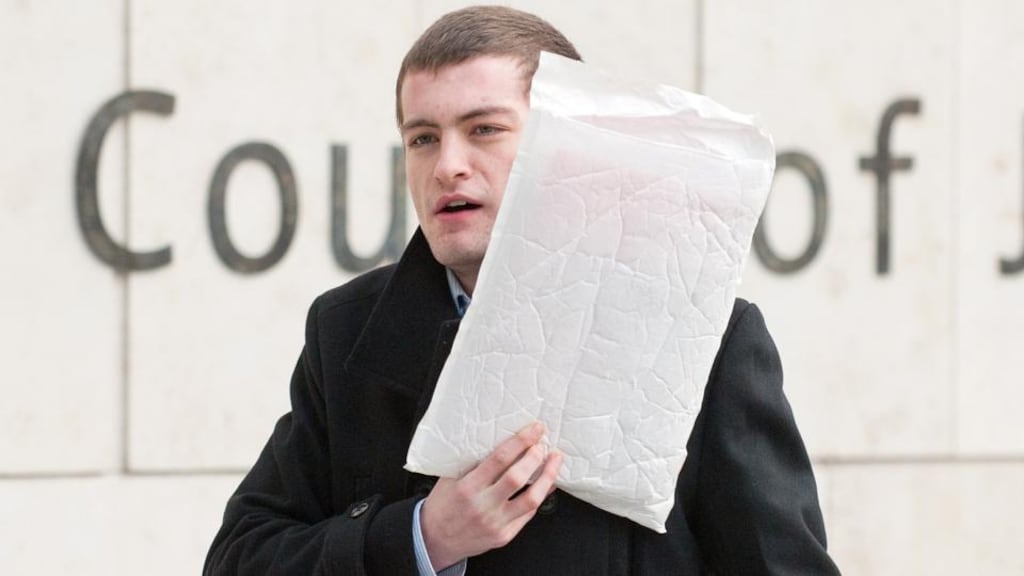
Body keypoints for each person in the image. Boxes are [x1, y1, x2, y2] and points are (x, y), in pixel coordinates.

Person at [204, 6, 840, 575]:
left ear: (568, 145)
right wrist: (424, 538)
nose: (447, 164)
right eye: (422, 137)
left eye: (484, 129)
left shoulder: (707, 337)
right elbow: (239, 558)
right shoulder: (346, 331)